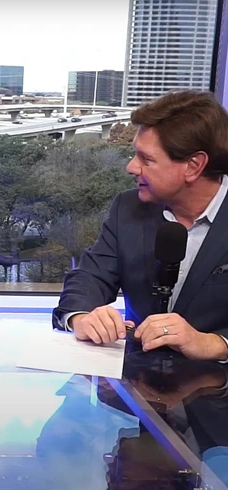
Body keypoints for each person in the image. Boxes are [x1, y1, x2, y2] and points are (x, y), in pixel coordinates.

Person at [53, 90, 228, 361]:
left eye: (146, 159)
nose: (131, 167)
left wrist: (214, 344)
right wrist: (82, 316)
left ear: (193, 166)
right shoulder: (128, 207)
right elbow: (90, 276)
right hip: (137, 379)